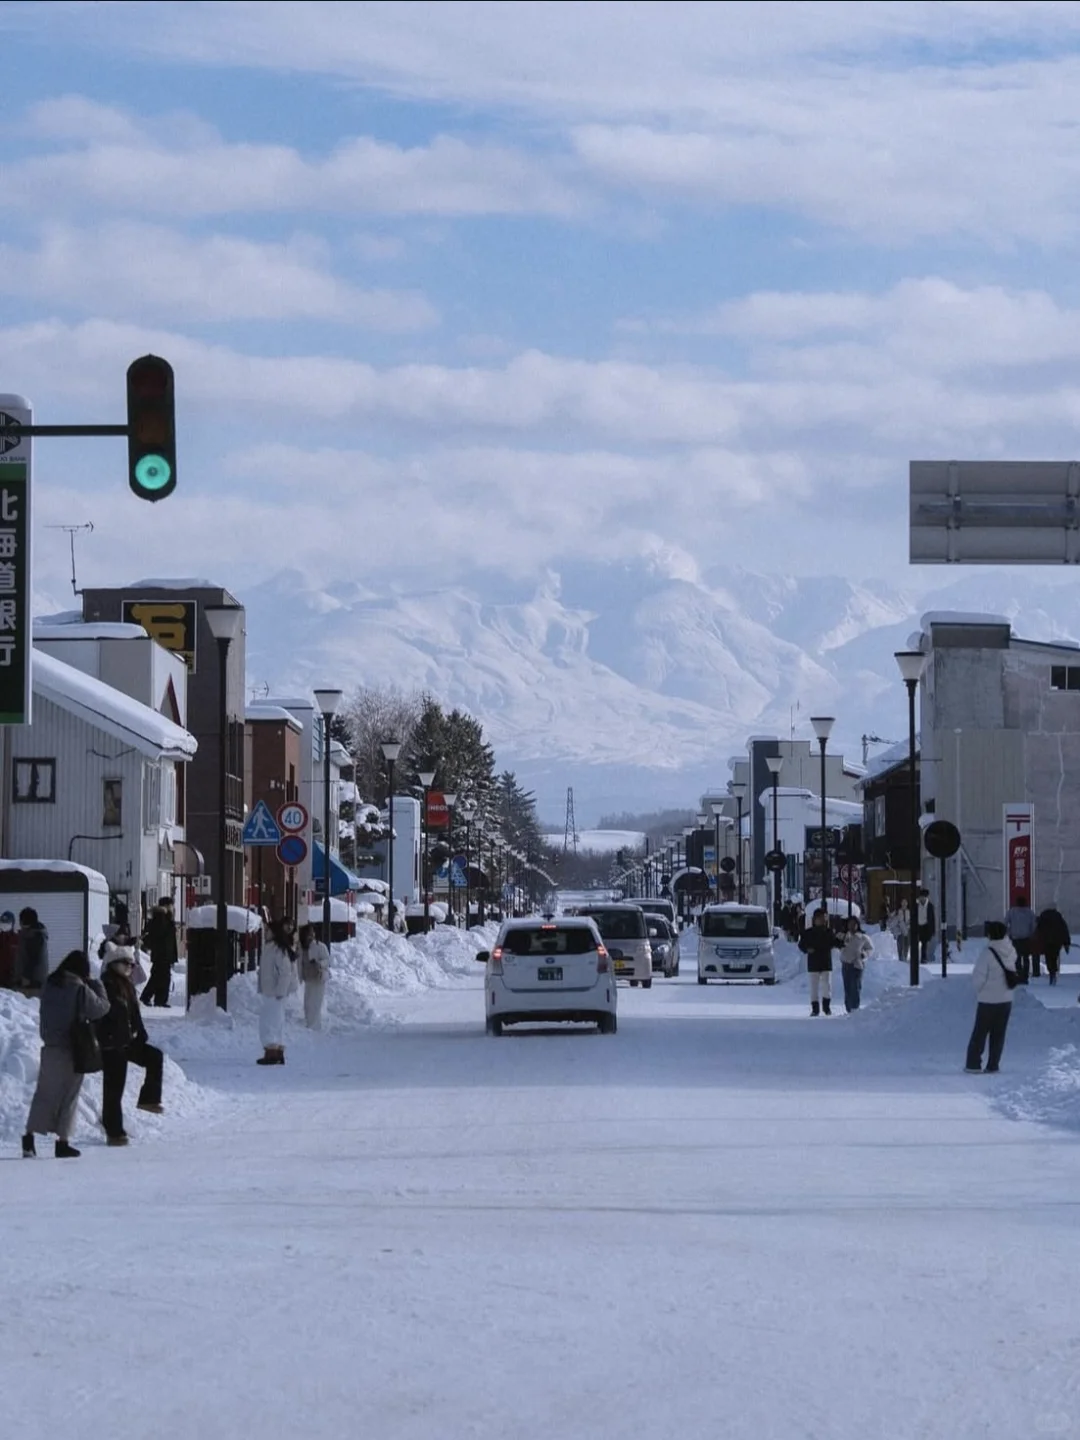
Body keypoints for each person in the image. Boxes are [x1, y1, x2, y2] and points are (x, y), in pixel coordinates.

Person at [22, 950, 110, 1158]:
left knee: (43, 1094)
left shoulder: (49, 985)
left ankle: (28, 1138)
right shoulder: (80, 989)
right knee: (69, 1096)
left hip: (49, 1048)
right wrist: (97, 985)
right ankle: (62, 1142)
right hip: (73, 1048)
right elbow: (102, 1008)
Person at [97, 945, 165, 1146]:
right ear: (114, 964)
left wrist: (140, 1033)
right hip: (112, 1043)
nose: (130, 968)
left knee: (155, 1056)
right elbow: (101, 1015)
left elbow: (134, 1013)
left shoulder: (126, 986)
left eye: (132, 965)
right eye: (126, 964)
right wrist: (105, 1036)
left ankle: (149, 1099)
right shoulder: (105, 985)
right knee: (113, 1089)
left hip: (128, 1040)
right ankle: (114, 1131)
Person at [965, 921, 1018, 1074]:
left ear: (990, 935)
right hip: (1006, 999)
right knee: (999, 1033)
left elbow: (978, 978)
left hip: (988, 999)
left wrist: (979, 991)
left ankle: (973, 1064)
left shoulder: (987, 953)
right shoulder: (1011, 950)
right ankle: (993, 1064)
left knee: (980, 1032)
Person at [257, 917, 297, 1065]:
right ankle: (277, 1049)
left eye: (268, 930)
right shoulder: (273, 947)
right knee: (276, 1020)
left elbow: (285, 972)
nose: (265, 933)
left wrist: (280, 990)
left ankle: (272, 1051)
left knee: (270, 1021)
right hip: (272, 990)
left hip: (274, 992)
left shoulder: (277, 949)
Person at [798, 907, 840, 1016]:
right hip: (813, 962)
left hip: (826, 962)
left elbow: (834, 942)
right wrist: (807, 949)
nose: (822, 920)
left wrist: (842, 942)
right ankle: (815, 1008)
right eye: (820, 918)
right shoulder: (808, 933)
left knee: (827, 986)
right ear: (815, 919)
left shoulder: (829, 932)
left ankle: (826, 1007)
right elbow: (801, 945)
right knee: (814, 987)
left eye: (824, 918)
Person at [140, 897, 178, 1007]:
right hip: (162, 954)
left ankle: (156, 999)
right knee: (161, 977)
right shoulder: (161, 918)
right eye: (171, 905)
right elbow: (160, 935)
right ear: (166, 906)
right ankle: (153, 998)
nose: (172, 907)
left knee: (159, 977)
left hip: (163, 954)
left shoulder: (165, 918)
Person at [297, 923, 330, 1030]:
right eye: (308, 934)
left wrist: (319, 964)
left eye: (311, 934)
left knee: (315, 1003)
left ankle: (314, 1026)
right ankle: (309, 1024)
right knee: (308, 1003)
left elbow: (327, 960)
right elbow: (299, 963)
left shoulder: (320, 946)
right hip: (308, 978)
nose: (310, 936)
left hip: (318, 978)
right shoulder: (301, 948)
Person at [839, 916, 873, 1013]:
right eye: (850, 924)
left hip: (857, 965)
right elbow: (837, 944)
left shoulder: (863, 937)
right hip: (845, 964)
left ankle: (854, 1008)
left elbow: (870, 948)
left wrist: (864, 954)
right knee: (847, 987)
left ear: (858, 925)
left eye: (854, 924)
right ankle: (848, 1008)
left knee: (855, 987)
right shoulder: (844, 936)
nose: (852, 926)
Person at [15, 907, 49, 997]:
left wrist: (26, 977)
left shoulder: (34, 936)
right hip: (32, 981)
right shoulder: (35, 934)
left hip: (31, 983)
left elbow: (33, 959)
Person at [1005, 893, 1037, 984]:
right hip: (1026, 939)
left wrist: (1009, 933)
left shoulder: (1012, 911)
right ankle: (1025, 977)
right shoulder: (1030, 912)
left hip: (1015, 938)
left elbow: (1005, 923)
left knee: (1017, 958)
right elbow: (1034, 926)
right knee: (1026, 958)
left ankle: (1019, 975)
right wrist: (1031, 935)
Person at [1034, 905, 1070, 986]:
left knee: (1048, 957)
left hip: (1046, 941)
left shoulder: (1043, 919)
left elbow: (1037, 930)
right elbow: (1064, 931)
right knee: (1054, 957)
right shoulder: (1059, 919)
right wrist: (1066, 943)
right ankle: (1053, 972)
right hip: (1057, 941)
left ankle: (1051, 972)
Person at [915, 889, 936, 966]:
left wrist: (933, 930)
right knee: (915, 943)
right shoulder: (916, 905)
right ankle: (915, 957)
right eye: (921, 897)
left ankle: (923, 958)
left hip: (926, 926)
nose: (922, 899)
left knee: (924, 943)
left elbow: (932, 918)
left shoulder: (930, 906)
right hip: (918, 926)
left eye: (923, 897)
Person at [887, 901, 909, 966]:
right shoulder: (897, 911)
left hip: (907, 929)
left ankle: (905, 955)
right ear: (901, 903)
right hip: (899, 930)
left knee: (907, 943)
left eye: (905, 903)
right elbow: (891, 918)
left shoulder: (909, 911)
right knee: (900, 943)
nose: (904, 904)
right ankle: (900, 957)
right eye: (903, 902)